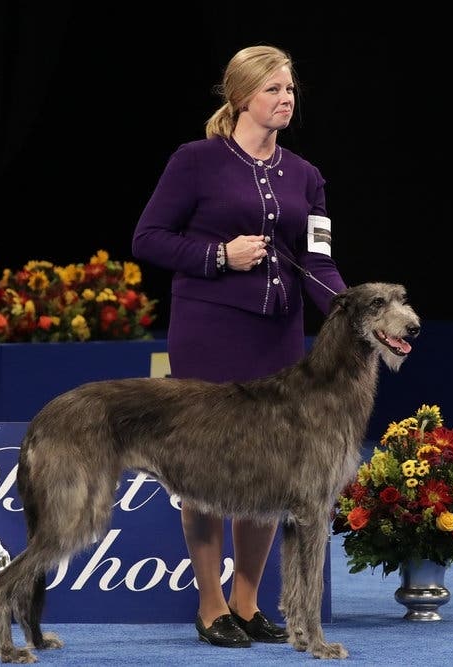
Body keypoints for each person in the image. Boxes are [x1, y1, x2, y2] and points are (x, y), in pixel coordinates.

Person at [131, 44, 348, 648]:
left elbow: (318, 263)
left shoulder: (306, 175)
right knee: (205, 468)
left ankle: (248, 604)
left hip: (277, 339)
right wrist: (218, 255)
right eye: (273, 89)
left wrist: (353, 315)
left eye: (290, 90)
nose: (285, 99)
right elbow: (148, 238)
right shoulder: (196, 160)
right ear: (240, 96)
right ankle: (211, 606)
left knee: (271, 471)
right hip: (209, 333)